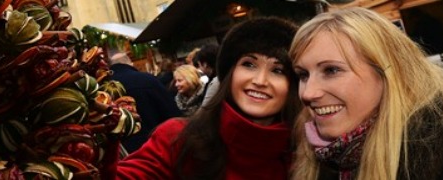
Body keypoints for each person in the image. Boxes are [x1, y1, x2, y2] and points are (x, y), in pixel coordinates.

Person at [288, 7, 443, 180]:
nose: (308, 93)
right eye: (303, 75)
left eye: (331, 70)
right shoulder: (316, 163)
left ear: (389, 75)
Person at [109, 17, 301, 179]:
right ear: (229, 74)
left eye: (278, 70)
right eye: (249, 64)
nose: (260, 80)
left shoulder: (308, 155)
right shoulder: (177, 139)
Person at [109, 52, 183, 153]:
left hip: (125, 154)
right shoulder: (147, 80)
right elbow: (172, 113)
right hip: (158, 147)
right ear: (130, 63)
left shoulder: (102, 88)